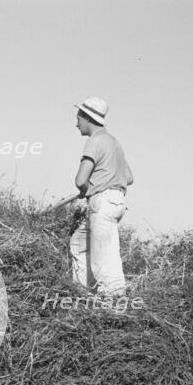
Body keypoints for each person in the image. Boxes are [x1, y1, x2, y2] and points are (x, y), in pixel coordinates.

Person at [69, 97, 133, 296]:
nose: (76, 123)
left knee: (104, 260)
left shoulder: (94, 141)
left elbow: (80, 180)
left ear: (87, 117)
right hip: (115, 201)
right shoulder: (114, 142)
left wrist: (89, 187)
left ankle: (115, 303)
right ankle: (83, 293)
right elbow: (129, 177)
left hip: (102, 203)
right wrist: (103, 179)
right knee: (79, 244)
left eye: (78, 118)